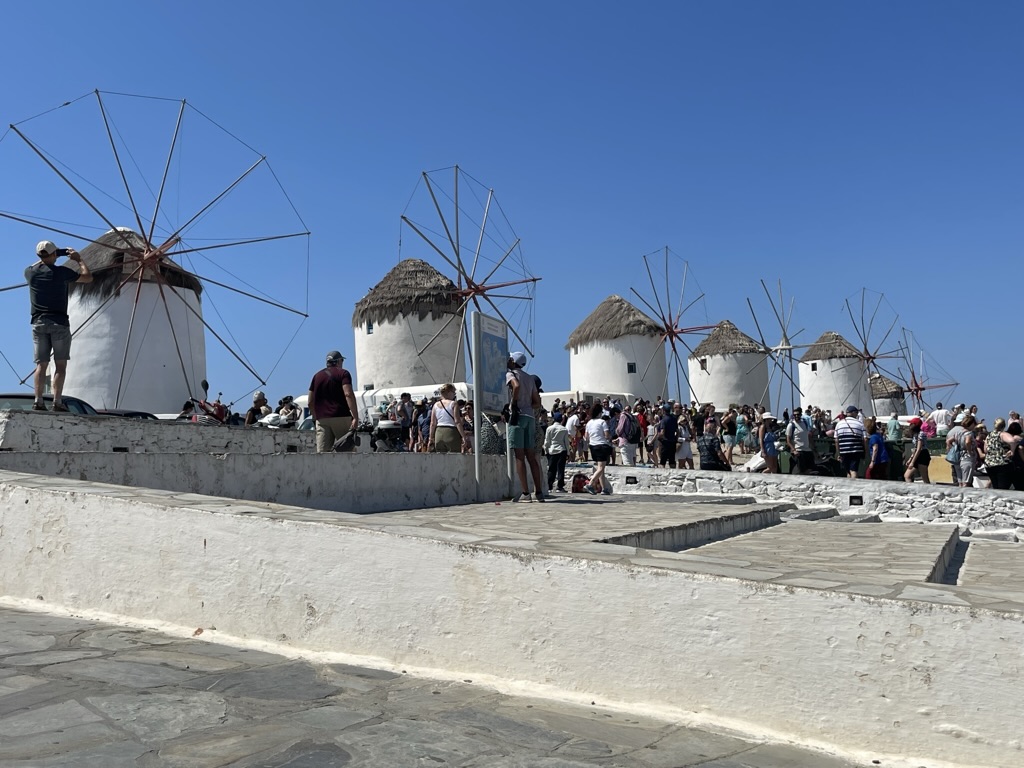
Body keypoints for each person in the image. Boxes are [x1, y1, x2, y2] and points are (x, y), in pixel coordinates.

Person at [25, 240, 93, 411]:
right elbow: (87, 277)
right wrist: (78, 260)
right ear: (54, 254)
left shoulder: (30, 273)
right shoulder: (62, 273)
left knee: (41, 365)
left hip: (38, 323)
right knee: (60, 365)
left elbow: (37, 263)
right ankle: (57, 402)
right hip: (59, 323)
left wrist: (50, 256)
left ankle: (38, 401)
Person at [506, 351, 545, 502]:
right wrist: (527, 405)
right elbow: (537, 402)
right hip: (529, 417)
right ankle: (539, 492)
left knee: (519, 456)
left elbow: (515, 386)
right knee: (531, 456)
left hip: (518, 416)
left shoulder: (511, 374)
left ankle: (525, 493)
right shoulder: (530, 378)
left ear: (512, 361)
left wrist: (515, 404)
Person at [308, 350, 359, 453]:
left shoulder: (317, 376)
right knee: (347, 451)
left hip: (322, 419)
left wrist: (315, 417)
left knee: (323, 453)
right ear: (338, 361)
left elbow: (310, 401)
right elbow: (348, 394)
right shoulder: (343, 373)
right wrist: (355, 417)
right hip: (341, 416)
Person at [428, 384, 469, 453]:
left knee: (440, 457)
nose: (454, 394)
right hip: (451, 432)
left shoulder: (435, 405)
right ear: (449, 392)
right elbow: (457, 422)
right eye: (454, 392)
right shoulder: (453, 403)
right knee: (454, 456)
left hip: (438, 432)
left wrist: (431, 437)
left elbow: (432, 423)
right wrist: (463, 437)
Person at [583, 402, 612, 494]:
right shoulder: (602, 422)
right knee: (601, 468)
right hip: (602, 446)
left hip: (592, 446)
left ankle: (604, 489)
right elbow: (607, 435)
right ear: (600, 413)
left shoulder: (589, 423)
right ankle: (590, 484)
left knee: (600, 468)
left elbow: (586, 437)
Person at [834, 405, 867, 478]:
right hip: (856, 451)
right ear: (854, 413)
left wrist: (838, 453)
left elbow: (836, 440)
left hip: (843, 451)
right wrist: (865, 452)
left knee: (848, 471)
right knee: (854, 470)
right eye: (857, 413)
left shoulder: (839, 424)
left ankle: (848, 486)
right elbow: (864, 439)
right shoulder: (860, 424)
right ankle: (854, 487)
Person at [945, 415, 977, 488]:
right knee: (966, 481)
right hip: (967, 458)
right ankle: (965, 496)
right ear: (971, 424)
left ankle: (960, 496)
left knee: (960, 482)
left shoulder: (958, 433)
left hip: (959, 458)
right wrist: (970, 452)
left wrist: (953, 449)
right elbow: (968, 442)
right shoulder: (969, 433)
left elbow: (948, 441)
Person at [543, 412, 570, 492]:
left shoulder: (549, 428)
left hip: (552, 450)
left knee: (551, 469)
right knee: (561, 469)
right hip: (562, 450)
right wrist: (568, 453)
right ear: (561, 420)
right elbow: (566, 442)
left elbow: (547, 441)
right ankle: (560, 486)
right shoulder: (564, 429)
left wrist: (546, 450)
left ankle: (549, 486)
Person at [786, 407, 815, 474]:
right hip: (798, 450)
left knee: (811, 468)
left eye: (798, 414)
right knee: (802, 470)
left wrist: (813, 447)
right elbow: (788, 440)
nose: (796, 416)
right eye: (795, 415)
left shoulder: (804, 423)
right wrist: (794, 450)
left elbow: (808, 435)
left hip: (807, 449)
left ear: (801, 414)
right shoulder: (791, 425)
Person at [985, 418, 1013, 490]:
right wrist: (1012, 451)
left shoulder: (989, 436)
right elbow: (1012, 441)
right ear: (1004, 426)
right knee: (1003, 487)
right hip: (1001, 463)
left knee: (995, 486)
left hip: (989, 464)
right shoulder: (1002, 434)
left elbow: (985, 450)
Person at [903, 417, 931, 484]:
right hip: (917, 455)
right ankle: (911, 490)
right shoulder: (915, 435)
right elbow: (915, 448)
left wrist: (912, 462)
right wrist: (910, 459)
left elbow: (919, 449)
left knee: (925, 478)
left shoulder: (921, 434)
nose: (909, 425)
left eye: (911, 424)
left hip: (922, 455)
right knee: (907, 475)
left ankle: (930, 492)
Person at [655, 403, 678, 469]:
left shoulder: (664, 420)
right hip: (672, 441)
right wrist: (675, 438)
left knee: (663, 462)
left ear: (664, 410)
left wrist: (658, 437)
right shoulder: (674, 419)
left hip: (665, 442)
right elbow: (677, 431)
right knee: (672, 461)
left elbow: (662, 432)